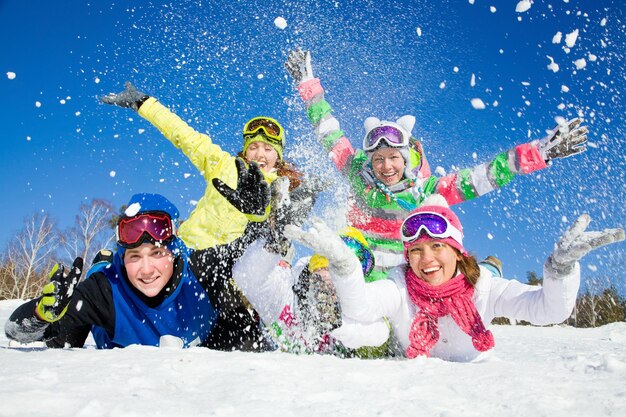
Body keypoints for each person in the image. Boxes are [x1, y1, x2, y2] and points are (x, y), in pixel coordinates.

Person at [284, 49, 589, 281]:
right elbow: (328, 131)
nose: (386, 166)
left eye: (393, 158)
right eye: (378, 159)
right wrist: (307, 84)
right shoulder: (357, 173)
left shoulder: (426, 188)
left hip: (409, 261)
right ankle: (322, 310)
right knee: (332, 255)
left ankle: (486, 272)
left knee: (448, 279)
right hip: (364, 254)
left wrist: (537, 154)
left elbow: (482, 177)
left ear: (406, 159)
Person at [285, 196, 624, 362]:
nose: (426, 258)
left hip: (475, 281)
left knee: (485, 273)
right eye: (415, 250)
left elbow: (550, 312)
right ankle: (488, 262)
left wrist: (560, 271)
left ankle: (490, 264)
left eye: (437, 246)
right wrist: (344, 264)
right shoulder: (400, 285)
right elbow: (361, 307)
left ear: (458, 251)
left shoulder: (484, 291)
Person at [5, 160, 275, 350]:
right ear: (123, 257)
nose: (146, 270)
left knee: (239, 322)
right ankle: (102, 260)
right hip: (110, 322)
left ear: (174, 249)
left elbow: (253, 252)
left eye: (156, 253)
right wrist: (41, 313)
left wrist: (259, 218)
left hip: (201, 342)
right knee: (63, 337)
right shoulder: (104, 291)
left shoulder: (199, 269)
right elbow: (14, 331)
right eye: (134, 257)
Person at [101, 82, 319, 252]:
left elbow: (279, 231)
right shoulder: (224, 164)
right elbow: (184, 135)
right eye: (253, 146)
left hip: (232, 273)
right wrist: (143, 103)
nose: (260, 154)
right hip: (186, 251)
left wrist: (268, 210)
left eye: (268, 149)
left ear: (278, 156)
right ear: (245, 150)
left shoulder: (280, 190)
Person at [232, 227, 379, 357]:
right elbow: (247, 277)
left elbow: (377, 338)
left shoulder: (354, 317)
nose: (330, 291)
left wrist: (340, 327)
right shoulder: (284, 292)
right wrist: (273, 244)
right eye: (324, 281)